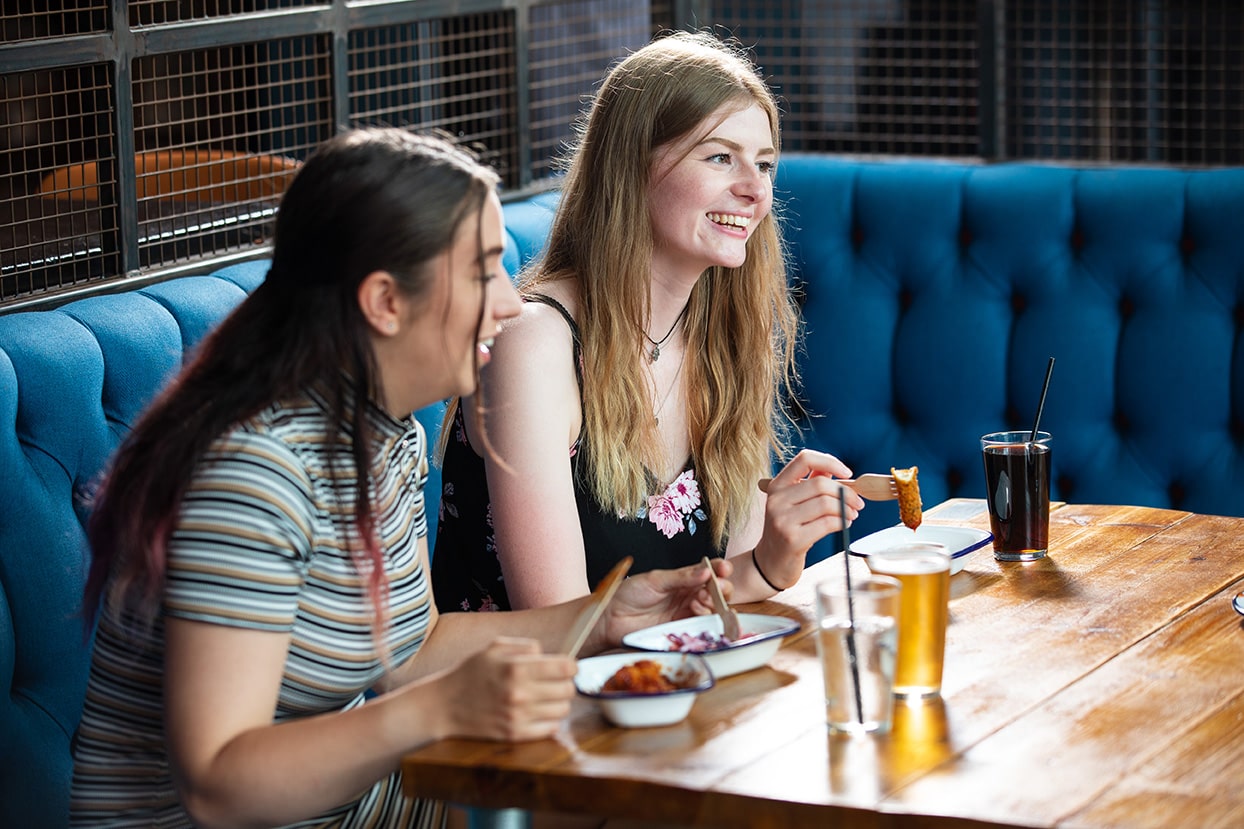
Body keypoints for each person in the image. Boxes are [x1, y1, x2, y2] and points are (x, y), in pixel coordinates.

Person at [69, 128, 730, 829]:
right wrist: (439, 708)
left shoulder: (386, 436)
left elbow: (410, 652)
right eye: (482, 273)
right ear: (385, 301)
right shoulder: (254, 476)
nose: (510, 303)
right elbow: (217, 785)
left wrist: (604, 618)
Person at [432, 31, 864, 615]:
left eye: (764, 164)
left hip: (664, 668)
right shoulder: (535, 344)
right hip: (532, 673)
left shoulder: (731, 335)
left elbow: (728, 597)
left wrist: (770, 557)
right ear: (632, 166)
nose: (754, 189)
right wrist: (753, 574)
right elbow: (560, 623)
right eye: (720, 157)